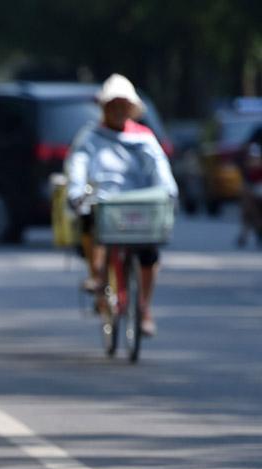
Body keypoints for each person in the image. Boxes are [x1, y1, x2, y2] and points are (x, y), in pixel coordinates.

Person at [65, 73, 178, 337]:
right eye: (112, 105)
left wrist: (169, 191)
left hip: (139, 206)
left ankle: (144, 308)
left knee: (149, 253)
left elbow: (159, 167)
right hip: (103, 204)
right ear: (104, 107)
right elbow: (78, 164)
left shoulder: (144, 138)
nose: (117, 110)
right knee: (90, 222)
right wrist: (76, 191)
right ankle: (98, 276)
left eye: (122, 105)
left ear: (130, 109)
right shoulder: (90, 137)